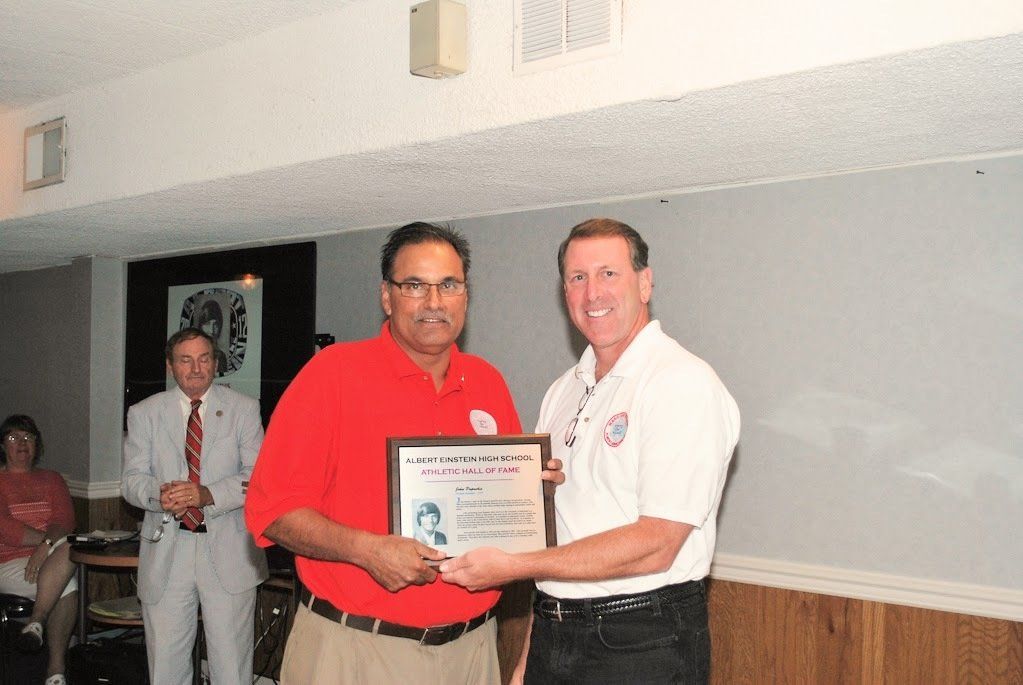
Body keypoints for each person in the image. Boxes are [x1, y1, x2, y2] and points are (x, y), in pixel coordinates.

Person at [245, 222, 562, 684]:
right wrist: (367, 550)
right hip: (356, 649)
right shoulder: (332, 375)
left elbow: (502, 508)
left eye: (449, 285)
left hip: (474, 650)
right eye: (415, 285)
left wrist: (534, 493)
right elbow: (272, 511)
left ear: (465, 296)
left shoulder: (487, 381)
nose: (434, 302)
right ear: (387, 297)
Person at [440, 218, 741, 684]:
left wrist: (513, 566)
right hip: (555, 631)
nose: (592, 293)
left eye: (608, 273)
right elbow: (557, 534)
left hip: (642, 639)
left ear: (645, 283)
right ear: (564, 293)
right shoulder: (562, 391)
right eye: (577, 278)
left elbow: (657, 544)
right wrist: (526, 660)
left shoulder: (680, 382)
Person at [122, 327, 267, 685]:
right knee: (166, 668)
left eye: (204, 359)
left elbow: (258, 478)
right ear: (170, 366)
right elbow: (131, 481)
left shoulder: (244, 410)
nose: (196, 368)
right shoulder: (144, 413)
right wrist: (159, 494)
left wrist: (207, 494)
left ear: (216, 363)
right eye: (186, 360)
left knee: (231, 669)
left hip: (229, 552)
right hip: (167, 552)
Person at [0, 415, 78, 685]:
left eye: (28, 437)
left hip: (50, 557)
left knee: (70, 545)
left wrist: (45, 548)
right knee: (68, 585)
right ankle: (56, 669)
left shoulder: (52, 479)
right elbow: (6, 529)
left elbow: (64, 521)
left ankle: (36, 622)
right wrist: (47, 543)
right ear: (3, 445)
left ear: (37, 444)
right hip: (7, 562)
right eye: (14, 437)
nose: (22, 443)